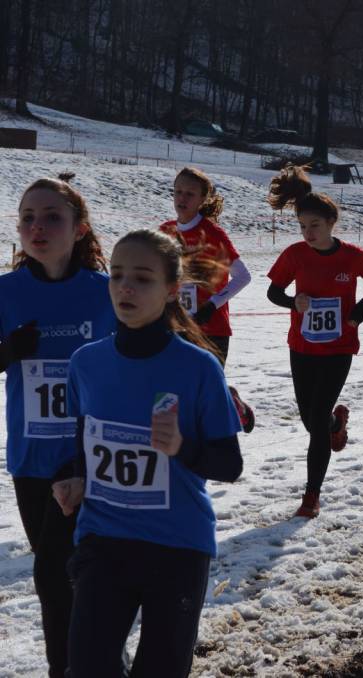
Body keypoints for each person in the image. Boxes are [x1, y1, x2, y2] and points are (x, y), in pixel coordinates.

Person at [53, 229, 243, 677]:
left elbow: (229, 464)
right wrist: (76, 478)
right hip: (104, 539)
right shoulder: (86, 362)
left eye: (141, 277)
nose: (125, 288)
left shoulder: (198, 367)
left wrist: (181, 447)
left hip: (175, 545)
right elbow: (86, 441)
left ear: (172, 289)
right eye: (117, 275)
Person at [0, 174, 117, 678]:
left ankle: (70, 668)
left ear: (80, 229)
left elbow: (144, 353)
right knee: (65, 572)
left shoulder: (105, 292)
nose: (37, 227)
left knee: (54, 571)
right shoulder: (6, 291)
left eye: (52, 217)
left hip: (92, 454)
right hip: (31, 458)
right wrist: (6, 353)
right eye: (28, 217)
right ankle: (99, 660)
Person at [265, 165, 363, 518]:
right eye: (302, 227)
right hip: (302, 346)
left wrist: (360, 310)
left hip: (338, 347)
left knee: (315, 416)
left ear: (331, 223)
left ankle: (311, 496)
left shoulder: (352, 256)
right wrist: (293, 302)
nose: (307, 233)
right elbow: (273, 292)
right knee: (312, 420)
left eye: (314, 226)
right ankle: (336, 426)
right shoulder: (294, 254)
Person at [158, 166, 254, 431]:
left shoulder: (212, 234)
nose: (182, 199)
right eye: (178, 192)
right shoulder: (164, 232)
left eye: (190, 194)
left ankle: (230, 402)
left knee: (201, 397)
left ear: (203, 199)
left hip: (211, 329)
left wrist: (212, 305)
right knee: (171, 393)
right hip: (175, 327)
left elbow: (243, 277)